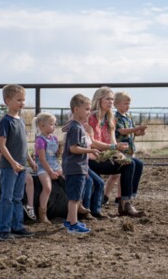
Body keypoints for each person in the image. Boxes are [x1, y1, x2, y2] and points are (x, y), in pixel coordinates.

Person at [88, 87, 145, 217]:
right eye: (107, 99)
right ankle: (125, 203)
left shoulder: (110, 118)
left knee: (137, 163)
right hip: (93, 157)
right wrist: (114, 148)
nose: (110, 102)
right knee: (129, 164)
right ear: (99, 100)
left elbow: (113, 141)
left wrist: (118, 151)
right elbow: (92, 143)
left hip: (106, 155)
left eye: (112, 99)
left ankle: (127, 200)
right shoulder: (91, 118)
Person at [0, 84, 34, 241]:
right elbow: (1, 145)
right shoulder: (5, 122)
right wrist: (12, 163)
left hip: (21, 166)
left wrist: (30, 160)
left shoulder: (22, 121)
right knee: (7, 197)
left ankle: (17, 226)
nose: (22, 103)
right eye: (19, 100)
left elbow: (24, 144)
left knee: (18, 197)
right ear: (7, 100)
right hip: (9, 167)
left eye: (23, 100)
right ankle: (3, 229)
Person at [62, 94, 100, 234]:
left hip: (79, 167)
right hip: (75, 167)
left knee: (76, 196)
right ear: (76, 109)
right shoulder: (76, 128)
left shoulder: (78, 126)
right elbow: (73, 148)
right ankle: (73, 224)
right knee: (74, 198)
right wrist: (90, 150)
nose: (89, 112)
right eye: (87, 109)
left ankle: (69, 220)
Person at [114, 91, 147, 200]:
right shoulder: (116, 118)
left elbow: (132, 132)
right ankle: (121, 196)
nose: (128, 106)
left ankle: (126, 195)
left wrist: (140, 132)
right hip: (121, 149)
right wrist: (137, 128)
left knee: (127, 172)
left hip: (129, 150)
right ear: (117, 104)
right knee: (122, 174)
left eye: (128, 104)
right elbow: (122, 131)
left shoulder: (128, 117)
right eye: (125, 104)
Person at [32, 112, 60, 223]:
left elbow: (55, 155)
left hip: (55, 164)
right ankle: (42, 214)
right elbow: (42, 160)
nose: (54, 126)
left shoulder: (55, 139)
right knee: (47, 187)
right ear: (42, 125)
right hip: (43, 167)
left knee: (70, 178)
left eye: (54, 124)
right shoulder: (40, 140)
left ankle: (76, 206)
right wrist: (51, 172)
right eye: (52, 124)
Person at [82, 121, 108, 220]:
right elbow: (86, 153)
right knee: (89, 182)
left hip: (85, 165)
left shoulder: (87, 136)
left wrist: (102, 156)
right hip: (79, 165)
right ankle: (86, 210)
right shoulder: (77, 133)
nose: (86, 124)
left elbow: (89, 154)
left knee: (100, 182)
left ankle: (96, 210)